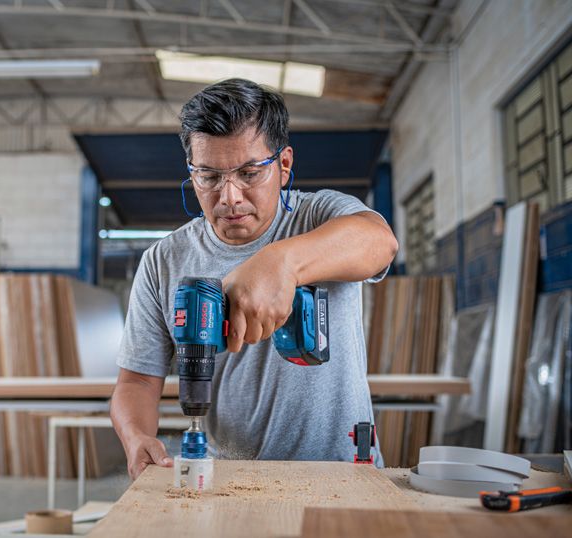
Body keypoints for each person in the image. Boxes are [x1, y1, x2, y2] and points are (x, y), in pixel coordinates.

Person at [110, 78, 398, 480]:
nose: (229, 196)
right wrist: (136, 435)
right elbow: (138, 381)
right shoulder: (164, 260)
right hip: (226, 476)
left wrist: (282, 262)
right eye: (208, 177)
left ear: (283, 165)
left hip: (342, 471)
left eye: (248, 172)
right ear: (191, 173)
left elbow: (379, 242)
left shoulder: (319, 217)